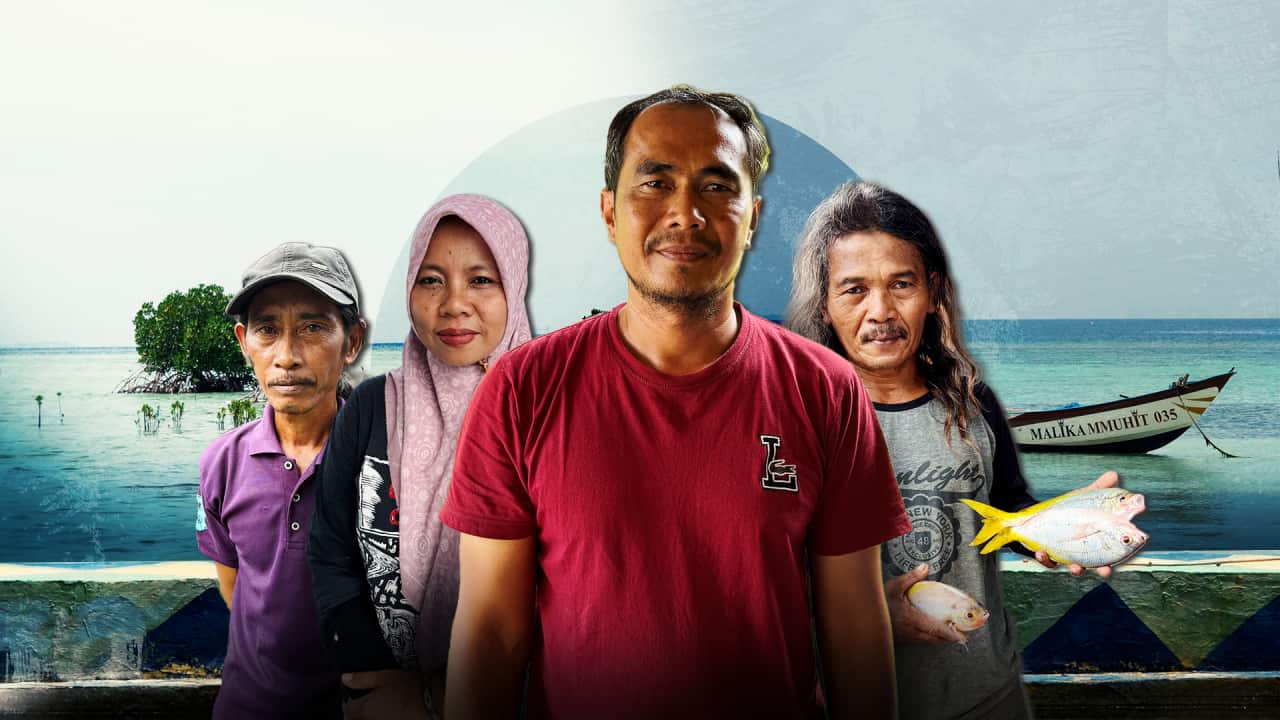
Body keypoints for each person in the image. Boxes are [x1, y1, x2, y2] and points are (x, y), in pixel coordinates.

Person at [440, 86, 911, 720]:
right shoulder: (522, 389)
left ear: (752, 218)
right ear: (609, 212)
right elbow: (493, 632)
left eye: (717, 187)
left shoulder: (824, 388)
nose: (685, 213)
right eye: (655, 184)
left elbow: (853, 621)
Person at [785, 180, 1119, 720]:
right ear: (823, 303)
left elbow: (1005, 511)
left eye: (902, 284)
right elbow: (757, 574)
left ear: (934, 292)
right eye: (854, 289)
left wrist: (1061, 530)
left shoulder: (972, 402)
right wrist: (861, 617)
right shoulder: (795, 417)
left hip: (986, 697)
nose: (881, 311)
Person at [308, 194, 532, 720]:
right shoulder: (368, 409)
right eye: (430, 280)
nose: (453, 304)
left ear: (515, 287)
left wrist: (436, 698)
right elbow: (331, 554)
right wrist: (382, 684)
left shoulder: (547, 414)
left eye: (481, 280)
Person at [197, 242, 367, 719]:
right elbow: (237, 586)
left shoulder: (387, 459)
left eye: (314, 328)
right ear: (242, 341)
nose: (287, 356)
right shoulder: (223, 463)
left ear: (352, 341)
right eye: (267, 330)